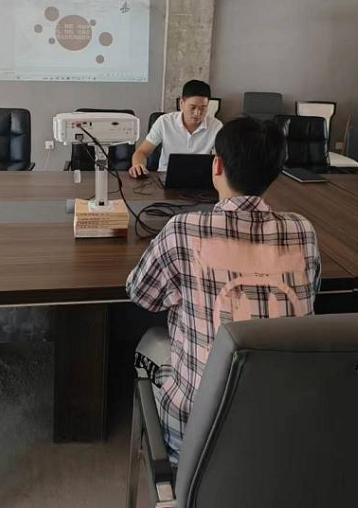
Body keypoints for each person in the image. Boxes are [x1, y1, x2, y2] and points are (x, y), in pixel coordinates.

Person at [126, 116, 321, 460]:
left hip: (196, 433)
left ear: (216, 165)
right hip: (286, 425)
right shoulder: (302, 231)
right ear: (276, 173)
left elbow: (142, 294)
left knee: (150, 342)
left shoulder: (183, 229)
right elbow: (312, 290)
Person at [129, 79, 223, 177]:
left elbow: (223, 158)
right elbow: (142, 152)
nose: (197, 113)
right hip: (166, 176)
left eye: (203, 108)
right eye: (192, 107)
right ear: (181, 102)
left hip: (201, 177)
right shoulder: (164, 122)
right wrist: (137, 165)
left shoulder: (216, 126)